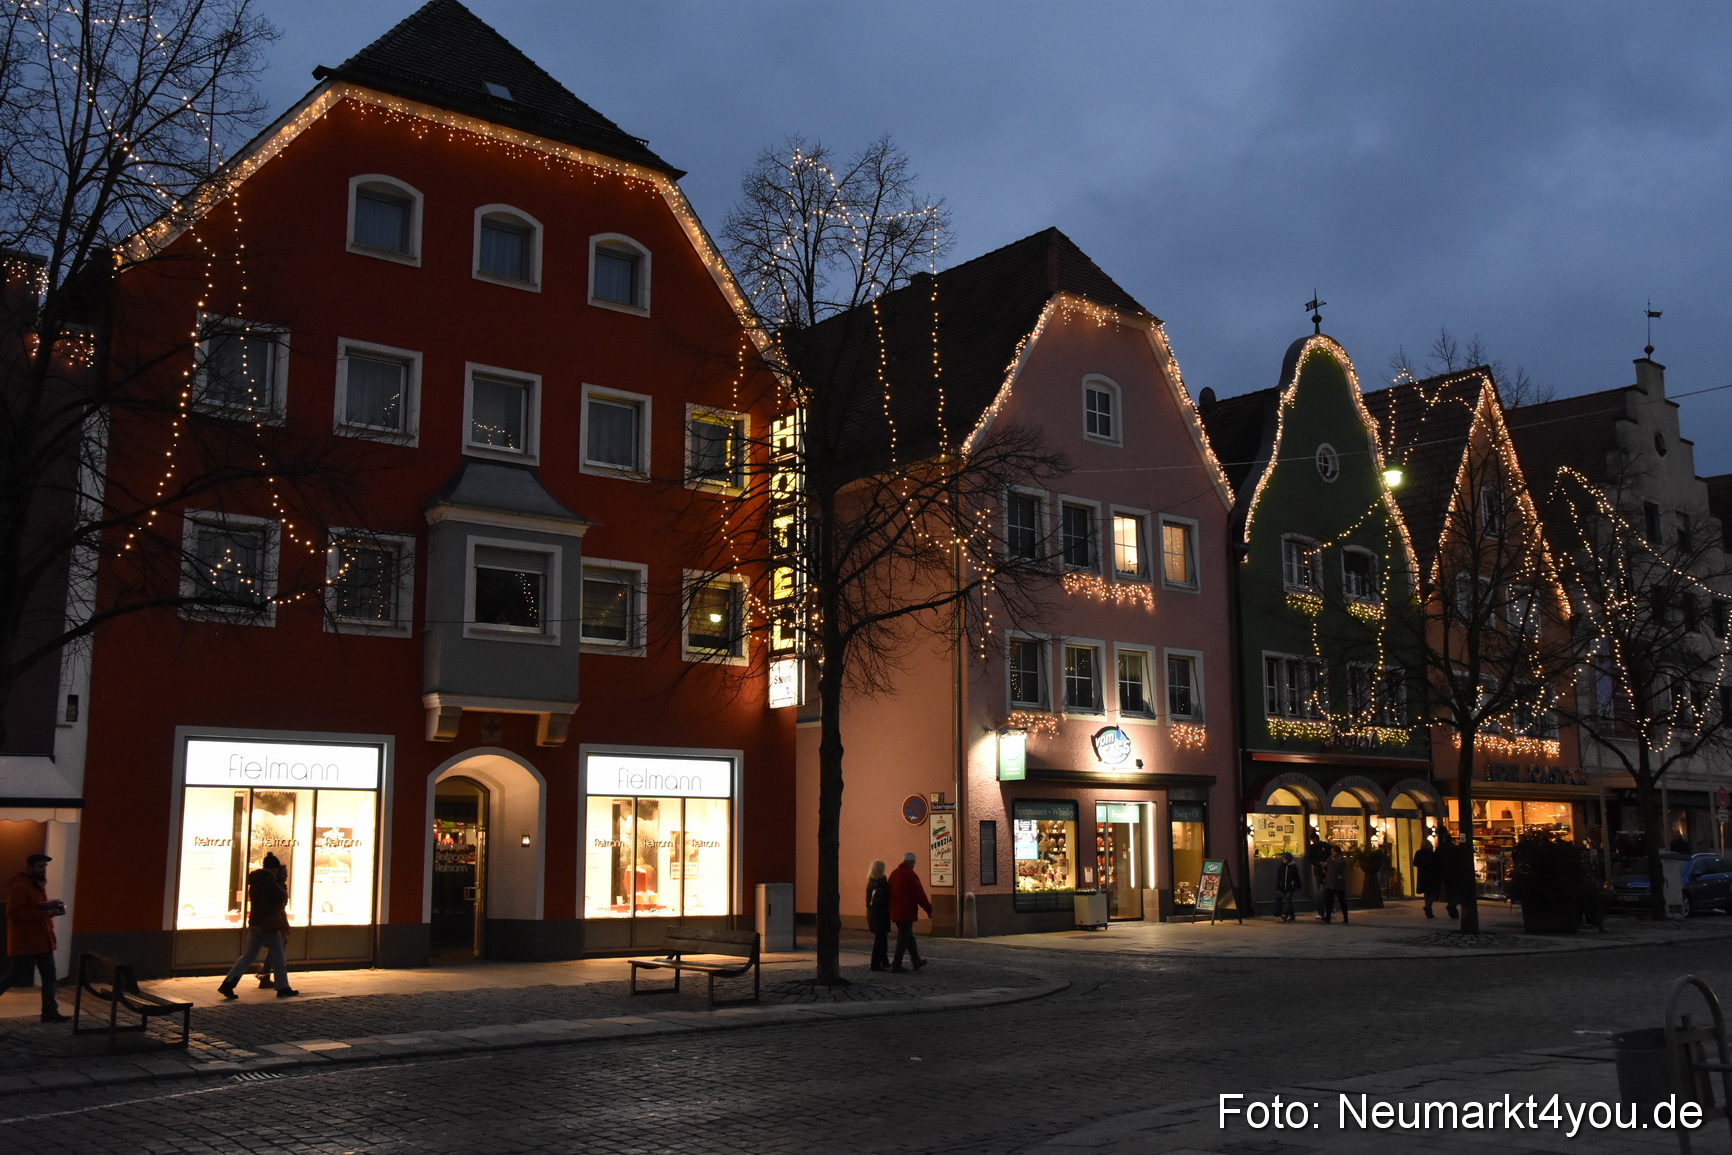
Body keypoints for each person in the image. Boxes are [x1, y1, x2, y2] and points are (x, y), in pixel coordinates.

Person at [218, 853, 298, 999]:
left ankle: (228, 984)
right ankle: (282, 987)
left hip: (255, 921)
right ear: (274, 868)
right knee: (278, 955)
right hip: (269, 922)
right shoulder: (268, 880)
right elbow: (281, 897)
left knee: (248, 956)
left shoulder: (255, 880)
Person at [0, 853, 69, 1022]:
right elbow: (14, 914)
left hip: (42, 940)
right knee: (15, 975)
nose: (44, 870)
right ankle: (50, 1011)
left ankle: (50, 1011)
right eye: (40, 866)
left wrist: (49, 911)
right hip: (26, 941)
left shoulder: (37, 885)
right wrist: (43, 913)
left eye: (45, 866)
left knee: (49, 976)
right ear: (29, 867)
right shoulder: (21, 886)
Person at [887, 852, 931, 973]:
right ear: (911, 863)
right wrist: (929, 909)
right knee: (903, 939)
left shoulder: (894, 874)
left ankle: (916, 960)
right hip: (906, 911)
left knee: (908, 937)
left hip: (895, 911)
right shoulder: (911, 875)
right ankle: (897, 964)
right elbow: (919, 895)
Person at [865, 860, 891, 971]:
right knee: (880, 940)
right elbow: (884, 899)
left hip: (873, 914)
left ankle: (884, 961)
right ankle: (875, 964)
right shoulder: (879, 883)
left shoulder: (871, 882)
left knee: (882, 938)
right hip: (879, 914)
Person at [1435, 826, 1463, 919]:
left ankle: (1451, 904)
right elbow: (1460, 860)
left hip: (1444, 873)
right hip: (1455, 873)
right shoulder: (1455, 848)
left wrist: (1439, 872)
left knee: (1449, 891)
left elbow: (1436, 861)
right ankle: (1452, 904)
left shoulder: (1440, 849)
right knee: (1456, 891)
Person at [1319, 843, 1349, 924]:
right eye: (1332, 851)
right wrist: (1324, 867)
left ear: (1337, 852)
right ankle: (1327, 917)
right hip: (1330, 883)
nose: (1332, 853)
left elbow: (1345, 871)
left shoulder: (1342, 860)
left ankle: (1345, 917)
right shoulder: (1329, 859)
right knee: (1329, 901)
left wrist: (1341, 877)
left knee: (1342, 900)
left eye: (1333, 851)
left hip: (1339, 884)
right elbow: (1326, 868)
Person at [1413, 832, 1440, 918]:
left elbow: (1415, 863)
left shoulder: (1419, 853)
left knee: (1426, 893)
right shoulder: (1432, 854)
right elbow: (1436, 864)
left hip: (1422, 875)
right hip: (1432, 875)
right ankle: (1428, 907)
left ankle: (1429, 911)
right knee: (1433, 892)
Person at [1273, 851, 1302, 922]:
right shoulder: (1281, 867)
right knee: (1288, 900)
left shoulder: (1293, 867)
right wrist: (1278, 885)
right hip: (1283, 886)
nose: (1283, 860)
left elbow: (1296, 876)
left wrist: (1298, 885)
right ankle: (1292, 915)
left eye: (1285, 858)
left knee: (1288, 898)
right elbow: (1278, 877)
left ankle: (1285, 914)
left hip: (1290, 886)